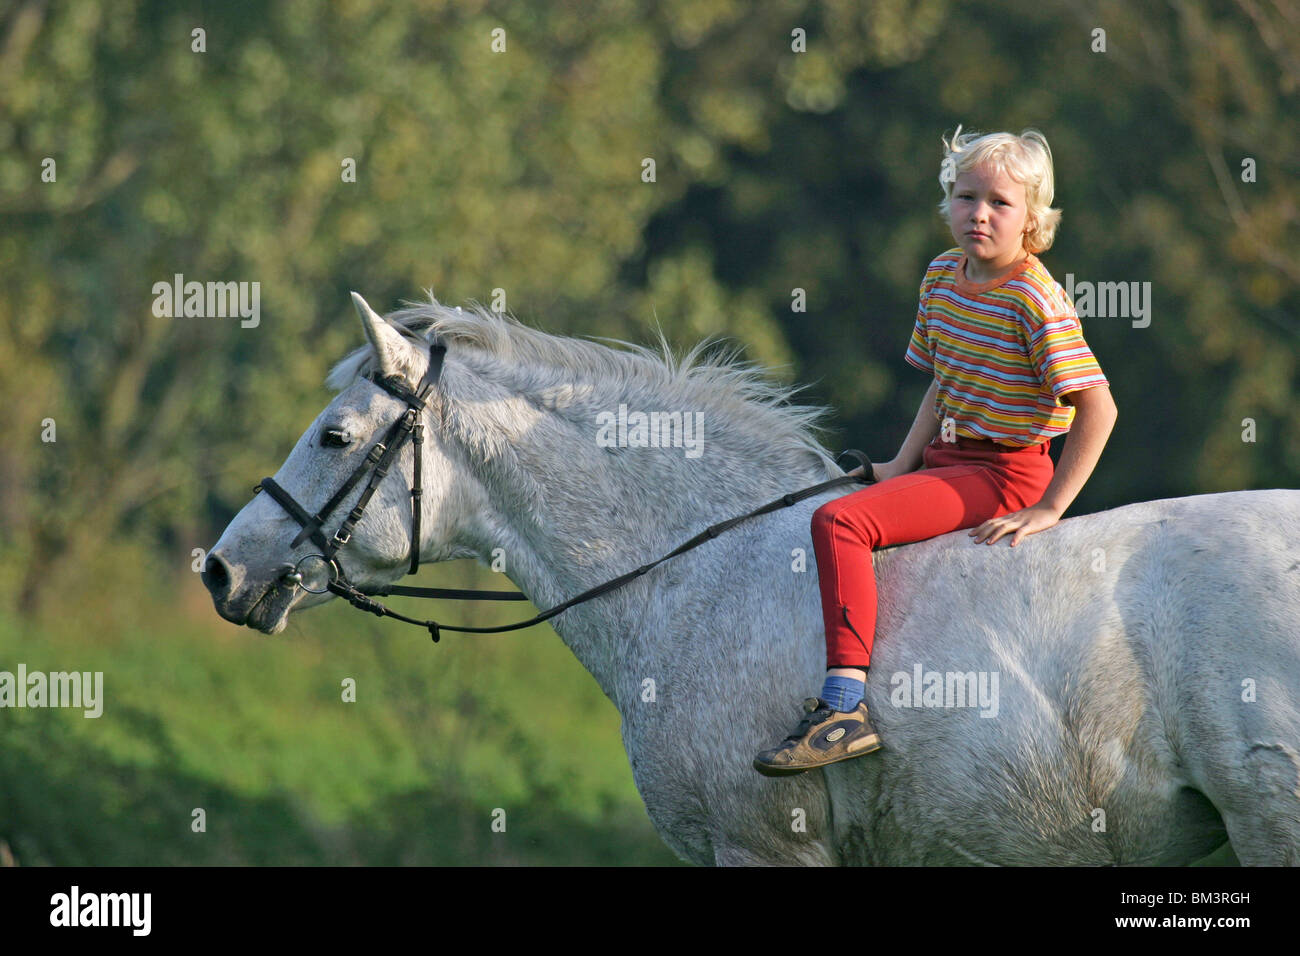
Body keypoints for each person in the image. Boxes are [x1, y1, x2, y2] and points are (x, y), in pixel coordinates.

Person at [753, 125, 1118, 777]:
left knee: (840, 521)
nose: (979, 213)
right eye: (965, 196)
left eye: (1000, 203)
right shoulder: (943, 276)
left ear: (1033, 218)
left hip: (1006, 471)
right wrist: (899, 464)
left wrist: (1052, 505)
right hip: (950, 461)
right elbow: (943, 384)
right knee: (847, 504)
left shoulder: (1036, 299)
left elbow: (1099, 407)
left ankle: (843, 709)